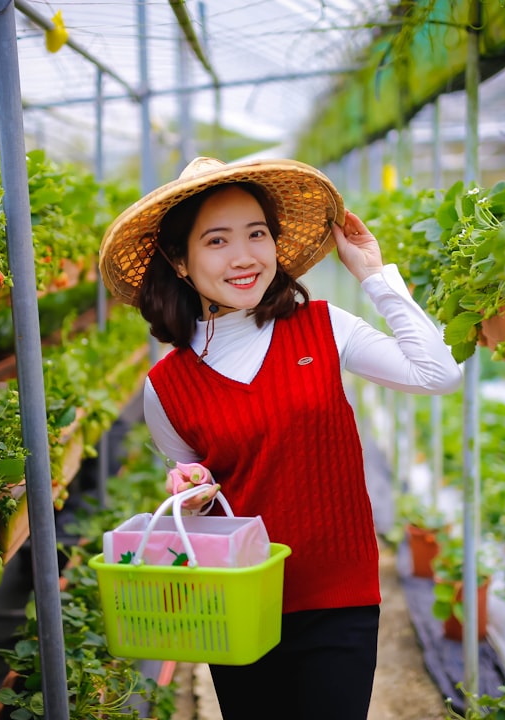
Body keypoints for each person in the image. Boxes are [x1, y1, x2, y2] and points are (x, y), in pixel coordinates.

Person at [98, 156, 462, 719]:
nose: (244, 257)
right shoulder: (165, 389)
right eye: (217, 240)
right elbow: (200, 509)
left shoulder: (323, 325)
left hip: (340, 597)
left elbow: (437, 374)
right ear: (180, 260)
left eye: (257, 234)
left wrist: (373, 273)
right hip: (239, 606)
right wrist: (192, 495)